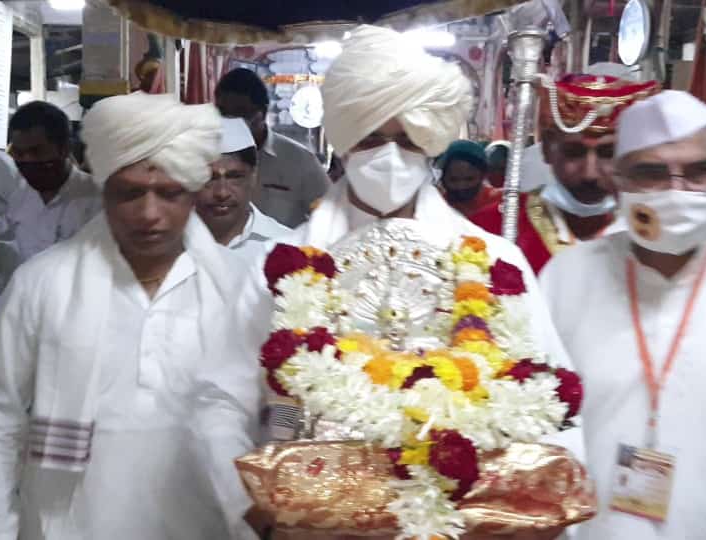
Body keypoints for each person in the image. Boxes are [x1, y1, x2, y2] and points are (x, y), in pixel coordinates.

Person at [232, 26, 578, 539]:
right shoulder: (278, 267)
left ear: (430, 144)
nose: (389, 156)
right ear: (344, 143)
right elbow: (228, 400)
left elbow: (548, 402)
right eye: (372, 138)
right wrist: (253, 508)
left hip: (462, 520)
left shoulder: (495, 262)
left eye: (406, 139)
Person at [0, 92, 259, 540]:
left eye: (169, 193)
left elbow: (277, 418)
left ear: (193, 191)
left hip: (209, 526)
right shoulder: (43, 282)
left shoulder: (241, 288)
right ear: (103, 188)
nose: (149, 214)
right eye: (130, 193)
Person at [540, 90, 706, 539]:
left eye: (699, 171)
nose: (679, 190)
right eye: (652, 173)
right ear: (619, 179)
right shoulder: (565, 278)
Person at [472, 73, 660, 273]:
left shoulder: (654, 233)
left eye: (607, 154)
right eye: (574, 153)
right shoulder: (490, 228)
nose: (590, 173)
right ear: (547, 150)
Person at [0, 101, 101, 292]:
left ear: (64, 148)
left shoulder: (99, 200)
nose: (27, 160)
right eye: (19, 152)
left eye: (36, 151)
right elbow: (3, 227)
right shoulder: (20, 197)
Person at [215, 68, 330, 228]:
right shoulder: (205, 157)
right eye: (223, 114)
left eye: (241, 114)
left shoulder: (299, 162)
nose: (231, 122)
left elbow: (330, 220)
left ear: (262, 112)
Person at [197, 117, 291, 258]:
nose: (222, 193)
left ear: (254, 176)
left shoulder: (286, 245)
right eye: (210, 178)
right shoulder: (168, 245)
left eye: (234, 177)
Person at [437, 140, 503, 217]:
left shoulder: (502, 201)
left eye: (469, 179)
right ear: (442, 178)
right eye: (453, 180)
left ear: (483, 176)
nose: (461, 186)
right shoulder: (436, 207)